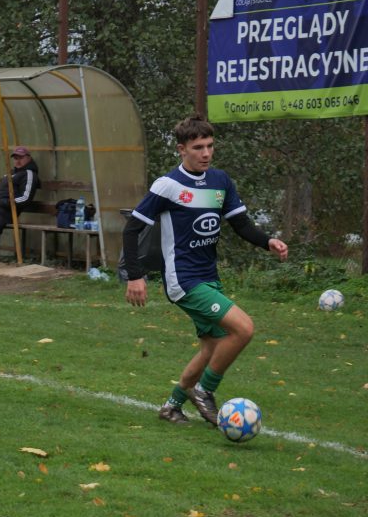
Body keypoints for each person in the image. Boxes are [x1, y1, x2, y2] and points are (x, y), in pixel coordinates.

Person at [122, 115, 288, 425]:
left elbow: (241, 224)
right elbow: (132, 229)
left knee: (212, 347)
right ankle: (204, 390)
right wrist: (135, 275)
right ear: (181, 149)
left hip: (208, 277)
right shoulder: (168, 185)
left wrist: (268, 242)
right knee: (243, 329)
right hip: (183, 280)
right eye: (198, 147)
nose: (206, 153)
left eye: (210, 146)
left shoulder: (220, 181)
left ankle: (172, 406)